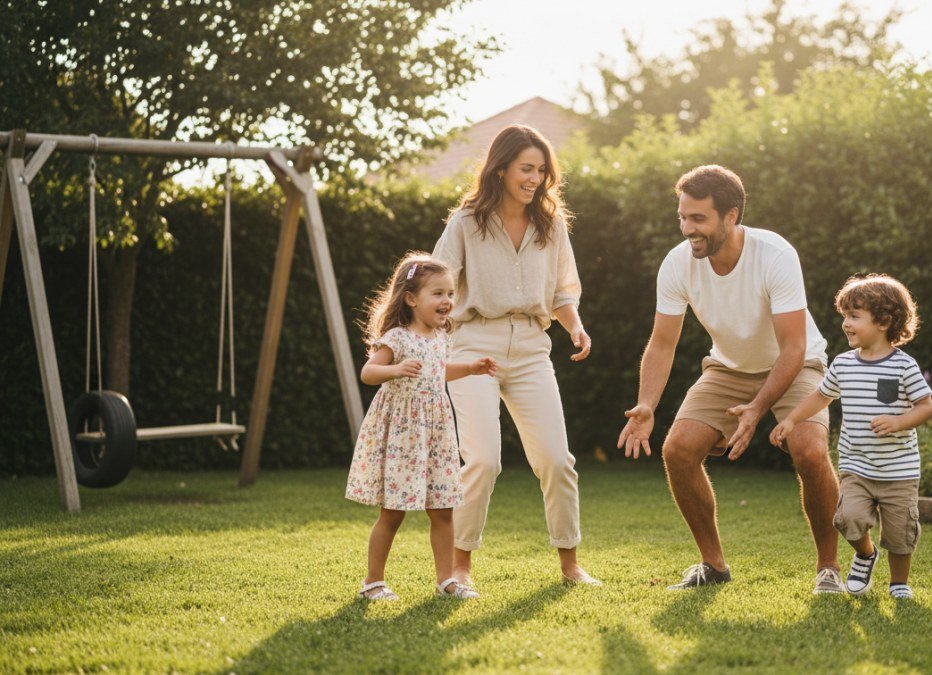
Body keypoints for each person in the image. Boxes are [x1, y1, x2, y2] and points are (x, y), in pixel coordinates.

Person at [619, 164, 845, 593]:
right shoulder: (677, 264)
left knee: (810, 452)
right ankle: (713, 565)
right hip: (728, 367)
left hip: (795, 364)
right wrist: (646, 404)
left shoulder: (774, 254)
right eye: (682, 217)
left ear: (732, 215)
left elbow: (794, 347)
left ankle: (829, 566)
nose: (688, 229)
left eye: (698, 219)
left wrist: (758, 409)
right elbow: (662, 343)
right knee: (678, 450)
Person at [432, 124, 600, 591]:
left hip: (530, 348)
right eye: (527, 168)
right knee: (483, 460)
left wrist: (576, 326)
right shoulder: (466, 222)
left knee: (557, 460)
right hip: (473, 345)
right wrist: (425, 338)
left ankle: (570, 565)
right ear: (501, 168)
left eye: (542, 170)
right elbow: (437, 283)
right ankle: (459, 570)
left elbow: (564, 291)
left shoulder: (552, 225)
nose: (535, 178)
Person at [771, 273, 932, 599]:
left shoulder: (903, 366)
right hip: (857, 466)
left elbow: (926, 406)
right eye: (844, 315)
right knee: (847, 519)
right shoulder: (843, 365)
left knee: (901, 533)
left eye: (854, 316)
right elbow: (820, 397)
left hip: (898, 471)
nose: (846, 323)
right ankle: (865, 553)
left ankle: (899, 583)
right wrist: (790, 420)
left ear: (884, 321)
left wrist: (900, 421)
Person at [345, 253, 497, 601]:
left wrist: (470, 368)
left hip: (436, 432)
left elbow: (437, 371)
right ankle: (373, 582)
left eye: (449, 294)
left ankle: (447, 581)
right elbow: (368, 372)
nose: (447, 301)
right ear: (411, 298)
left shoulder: (441, 336)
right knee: (393, 512)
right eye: (438, 294)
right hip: (404, 433)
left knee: (443, 509)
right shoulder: (397, 338)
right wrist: (395, 370)